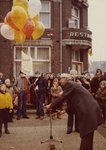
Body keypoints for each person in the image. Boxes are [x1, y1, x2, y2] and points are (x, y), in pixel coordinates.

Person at [45, 73, 102, 150]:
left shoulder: (69, 83)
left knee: (86, 136)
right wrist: (64, 111)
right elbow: (73, 103)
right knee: (86, 136)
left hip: (88, 111)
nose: (59, 80)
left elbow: (62, 96)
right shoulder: (72, 86)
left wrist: (51, 105)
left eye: (60, 78)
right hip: (90, 110)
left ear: (65, 78)